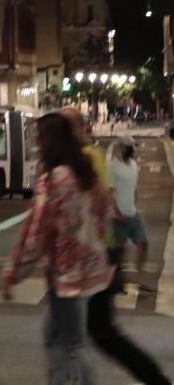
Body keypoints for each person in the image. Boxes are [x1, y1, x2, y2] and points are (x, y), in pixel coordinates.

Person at [60, 110, 171, 385]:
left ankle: (155, 379)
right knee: (86, 335)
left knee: (98, 334)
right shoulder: (80, 161)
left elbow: (93, 205)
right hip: (90, 258)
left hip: (96, 256)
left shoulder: (86, 161)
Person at [2, 112, 112, 385]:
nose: (37, 144)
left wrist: (14, 272)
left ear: (49, 142)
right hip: (90, 270)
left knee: (70, 345)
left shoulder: (54, 180)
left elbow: (36, 233)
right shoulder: (86, 173)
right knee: (57, 335)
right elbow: (104, 214)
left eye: (39, 138)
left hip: (66, 275)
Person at [110, 136, 153, 286]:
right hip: (118, 216)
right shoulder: (113, 166)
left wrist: (135, 206)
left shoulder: (134, 165)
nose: (132, 150)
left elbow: (134, 189)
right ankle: (116, 282)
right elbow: (109, 192)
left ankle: (139, 279)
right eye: (129, 147)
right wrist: (117, 213)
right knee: (119, 253)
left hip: (132, 213)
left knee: (144, 243)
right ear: (122, 148)